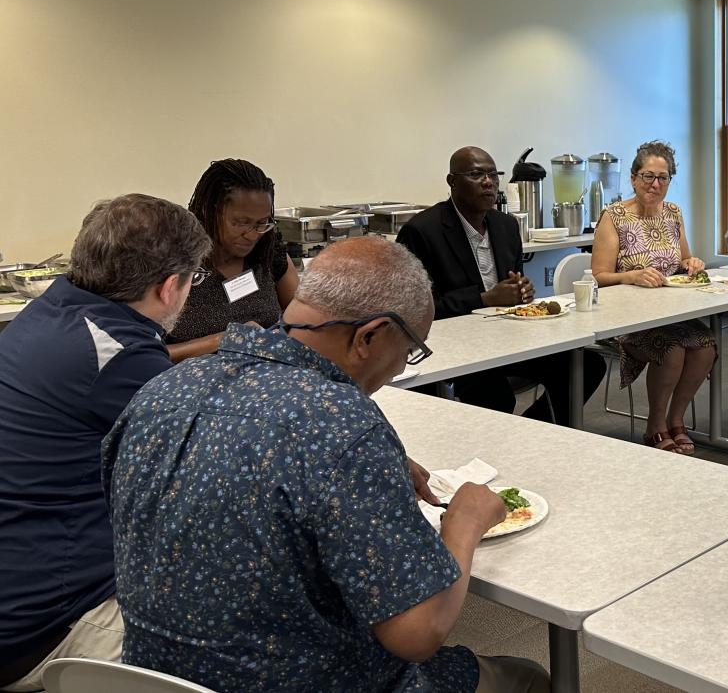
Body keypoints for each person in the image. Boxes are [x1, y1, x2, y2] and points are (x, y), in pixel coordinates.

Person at [103, 237, 549, 693]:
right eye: (409, 351)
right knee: (526, 677)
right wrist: (465, 522)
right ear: (369, 336)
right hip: (307, 680)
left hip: (149, 678)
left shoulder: (161, 392)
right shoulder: (342, 425)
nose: (398, 370)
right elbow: (419, 635)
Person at [0, 194, 209, 692]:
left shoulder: (47, 310)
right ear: (169, 286)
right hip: (41, 627)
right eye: (193, 280)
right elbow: (205, 473)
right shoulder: (120, 355)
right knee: (246, 620)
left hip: (17, 576)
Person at [397, 147, 602, 427]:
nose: (488, 182)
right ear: (452, 181)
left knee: (585, 366)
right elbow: (416, 312)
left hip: (507, 336)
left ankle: (534, 431)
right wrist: (483, 298)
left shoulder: (505, 225)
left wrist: (521, 290)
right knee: (496, 396)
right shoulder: (422, 231)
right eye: (476, 174)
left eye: (493, 174)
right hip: (456, 345)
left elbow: (511, 286)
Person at [590, 140, 715, 455]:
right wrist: (630, 275)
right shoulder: (615, 216)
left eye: (663, 178)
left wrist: (692, 263)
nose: (655, 184)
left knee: (706, 346)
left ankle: (676, 419)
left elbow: (684, 260)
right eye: (648, 176)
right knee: (671, 350)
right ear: (633, 178)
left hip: (670, 312)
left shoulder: (673, 212)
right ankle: (655, 424)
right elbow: (599, 276)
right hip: (628, 317)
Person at [167, 158, 299, 361]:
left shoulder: (269, 253)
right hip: (194, 385)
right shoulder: (175, 259)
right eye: (240, 223)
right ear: (210, 211)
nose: (252, 234)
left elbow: (302, 323)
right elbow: (143, 355)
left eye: (262, 223)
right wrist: (223, 340)